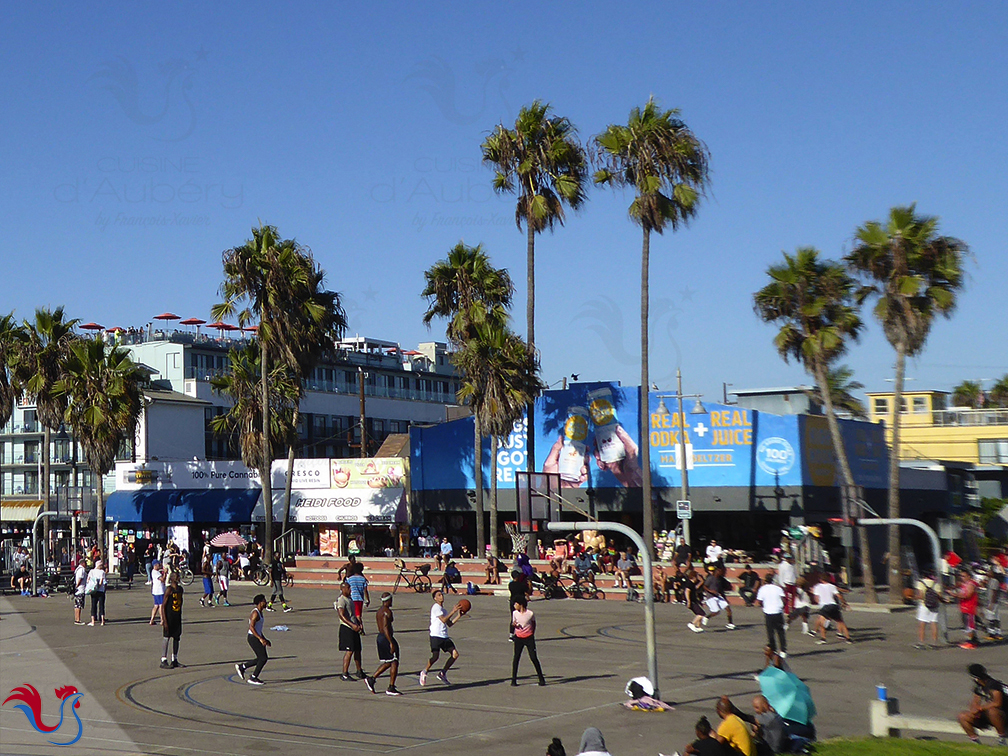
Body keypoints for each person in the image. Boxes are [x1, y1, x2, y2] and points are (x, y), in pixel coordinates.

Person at [420, 589, 463, 686]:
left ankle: (442, 673)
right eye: (439, 595)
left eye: (442, 594)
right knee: (435, 657)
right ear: (435, 598)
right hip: (435, 635)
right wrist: (453, 611)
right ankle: (424, 671)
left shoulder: (443, 610)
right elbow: (443, 620)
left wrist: (459, 615)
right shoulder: (436, 607)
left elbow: (449, 623)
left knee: (455, 654)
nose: (441, 596)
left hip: (444, 636)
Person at [957, 663, 1007, 745]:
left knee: (992, 711)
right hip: (991, 716)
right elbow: (975, 702)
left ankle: (1002, 739)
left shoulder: (993, 685)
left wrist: (981, 709)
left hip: (1003, 715)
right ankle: (975, 742)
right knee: (962, 716)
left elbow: (997, 703)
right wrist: (975, 711)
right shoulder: (979, 687)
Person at [365, 592, 401, 696]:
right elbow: (385, 627)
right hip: (386, 638)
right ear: (388, 600)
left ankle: (372, 679)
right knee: (394, 661)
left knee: (388, 662)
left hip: (380, 637)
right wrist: (391, 642)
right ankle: (391, 687)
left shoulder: (379, 611)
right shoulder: (386, 612)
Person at [510, 595, 546, 686]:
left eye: (516, 604)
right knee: (516, 658)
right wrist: (514, 625)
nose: (514, 605)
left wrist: (531, 634)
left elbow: (533, 624)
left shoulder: (530, 614)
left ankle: (541, 678)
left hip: (529, 638)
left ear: (521, 604)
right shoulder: (515, 613)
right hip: (518, 638)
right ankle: (513, 680)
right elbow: (513, 624)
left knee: (533, 657)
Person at [236, 594, 270, 685]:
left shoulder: (260, 612)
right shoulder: (255, 613)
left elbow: (258, 629)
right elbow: (252, 627)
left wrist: (264, 639)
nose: (265, 602)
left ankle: (242, 667)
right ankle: (253, 677)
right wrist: (260, 639)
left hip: (257, 637)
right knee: (263, 658)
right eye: (264, 601)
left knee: (261, 658)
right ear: (260, 603)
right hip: (253, 638)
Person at [335, 581, 365, 681]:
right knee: (349, 651)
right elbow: (342, 615)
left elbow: (353, 614)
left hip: (354, 627)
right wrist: (352, 625)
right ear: (343, 589)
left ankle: (359, 671)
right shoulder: (341, 600)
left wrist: (358, 623)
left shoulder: (350, 599)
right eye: (348, 588)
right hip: (347, 628)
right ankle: (344, 673)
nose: (350, 590)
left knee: (357, 650)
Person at [691, 565, 734, 631]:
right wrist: (710, 591)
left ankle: (730, 623)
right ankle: (707, 617)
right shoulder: (710, 578)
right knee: (716, 611)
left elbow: (720, 590)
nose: (721, 573)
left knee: (728, 608)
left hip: (718, 596)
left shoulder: (719, 579)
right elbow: (705, 586)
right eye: (719, 572)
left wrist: (725, 599)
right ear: (716, 572)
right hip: (711, 597)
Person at [756, 570, 787, 658]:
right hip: (777, 611)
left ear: (765, 580)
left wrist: (764, 607)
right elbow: (784, 600)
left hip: (768, 612)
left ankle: (773, 649)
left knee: (770, 632)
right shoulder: (778, 588)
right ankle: (783, 650)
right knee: (780, 632)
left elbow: (759, 601)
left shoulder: (762, 589)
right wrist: (782, 607)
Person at [811, 577, 851, 644]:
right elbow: (839, 596)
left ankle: (823, 638)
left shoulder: (817, 587)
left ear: (821, 579)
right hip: (834, 605)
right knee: (840, 622)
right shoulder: (832, 586)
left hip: (825, 606)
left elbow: (816, 598)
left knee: (821, 623)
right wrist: (844, 603)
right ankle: (848, 638)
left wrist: (818, 602)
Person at [160, 572, 184, 669]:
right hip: (169, 617)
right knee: (167, 637)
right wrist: (164, 620)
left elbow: (181, 603)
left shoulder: (180, 589)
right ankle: (163, 659)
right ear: (173, 578)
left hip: (177, 616)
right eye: (177, 576)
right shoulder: (169, 590)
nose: (179, 578)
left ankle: (175, 659)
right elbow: (163, 606)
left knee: (176, 637)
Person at [953, 566, 979, 649]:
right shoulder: (964, 584)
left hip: (969, 608)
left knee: (969, 626)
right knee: (966, 625)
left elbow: (968, 595)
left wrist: (956, 595)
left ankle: (971, 642)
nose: (962, 578)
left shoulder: (971, 584)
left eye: (963, 576)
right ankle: (973, 640)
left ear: (969, 576)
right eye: (961, 576)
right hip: (964, 607)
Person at [915, 572, 943, 648]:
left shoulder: (920, 583)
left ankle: (921, 642)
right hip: (934, 605)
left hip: (924, 605)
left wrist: (915, 597)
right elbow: (939, 596)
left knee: (922, 625)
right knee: (933, 623)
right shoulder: (936, 583)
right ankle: (934, 642)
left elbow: (920, 596)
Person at [346, 562, 370, 627]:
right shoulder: (363, 579)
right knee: (358, 614)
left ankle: (360, 627)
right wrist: (367, 599)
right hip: (360, 599)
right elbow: (365, 590)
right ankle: (359, 626)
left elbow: (346, 587)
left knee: (356, 615)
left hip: (353, 598)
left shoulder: (350, 579)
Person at [778, 554, 798, 620]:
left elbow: (795, 574)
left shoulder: (792, 565)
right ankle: (786, 611)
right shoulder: (782, 566)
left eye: (790, 558)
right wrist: (783, 585)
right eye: (788, 558)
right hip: (786, 583)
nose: (789, 559)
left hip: (793, 582)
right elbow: (781, 576)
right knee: (786, 598)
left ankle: (793, 609)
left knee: (794, 597)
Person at [149, 559, 165, 625]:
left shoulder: (153, 572)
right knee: (161, 605)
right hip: (159, 591)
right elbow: (162, 579)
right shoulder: (156, 572)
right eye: (158, 564)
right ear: (155, 565)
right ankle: (162, 620)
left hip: (155, 591)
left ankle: (152, 620)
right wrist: (165, 574)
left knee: (156, 605)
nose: (160, 565)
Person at [72, 557, 87, 626]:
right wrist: (77, 586)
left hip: (77, 589)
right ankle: (78, 619)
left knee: (76, 605)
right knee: (79, 605)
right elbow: (80, 579)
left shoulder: (77, 569)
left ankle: (76, 618)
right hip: (80, 589)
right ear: (83, 563)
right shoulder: (82, 570)